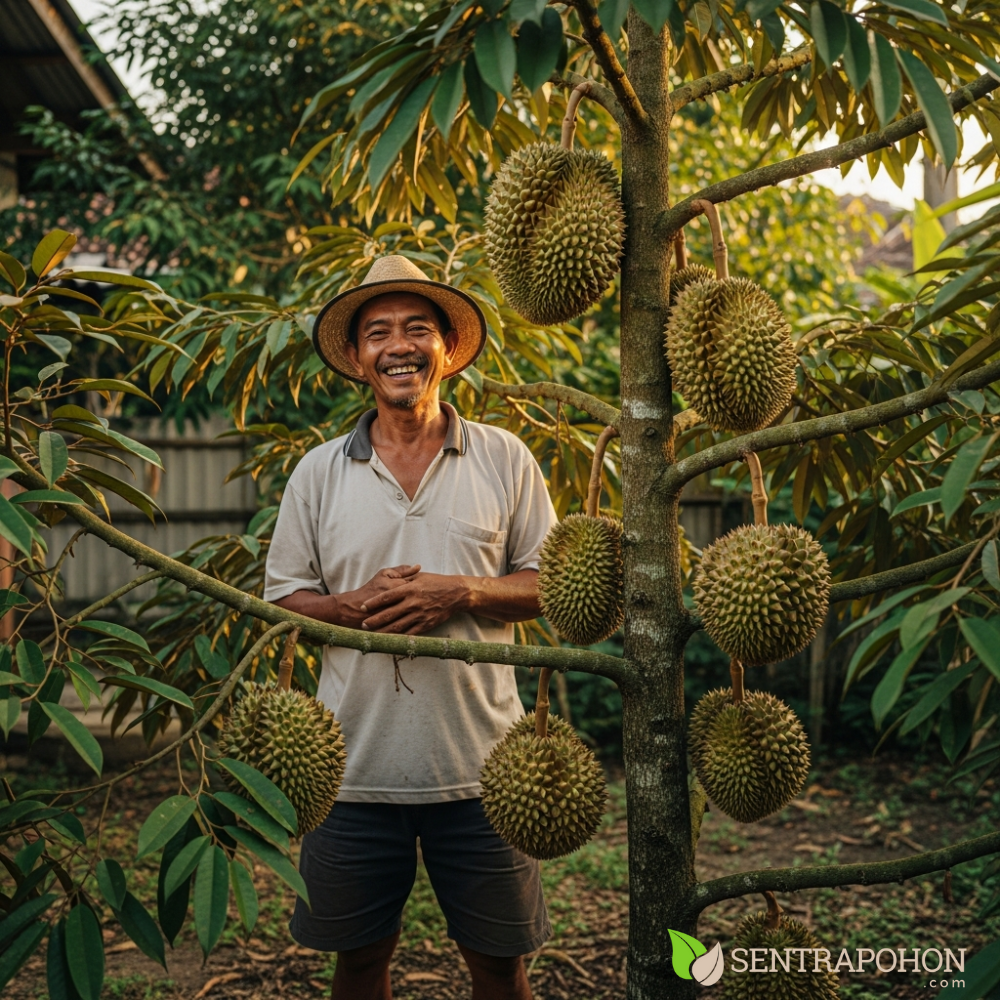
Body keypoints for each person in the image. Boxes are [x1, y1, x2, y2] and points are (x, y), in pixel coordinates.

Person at [263, 255, 558, 1000]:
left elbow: (549, 585)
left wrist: (460, 592)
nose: (399, 345)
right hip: (349, 772)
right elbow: (284, 599)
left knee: (500, 967)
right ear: (358, 356)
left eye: (417, 329)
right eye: (379, 333)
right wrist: (348, 606)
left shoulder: (505, 458)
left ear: (447, 348)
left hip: (490, 771)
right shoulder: (318, 472)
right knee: (360, 963)